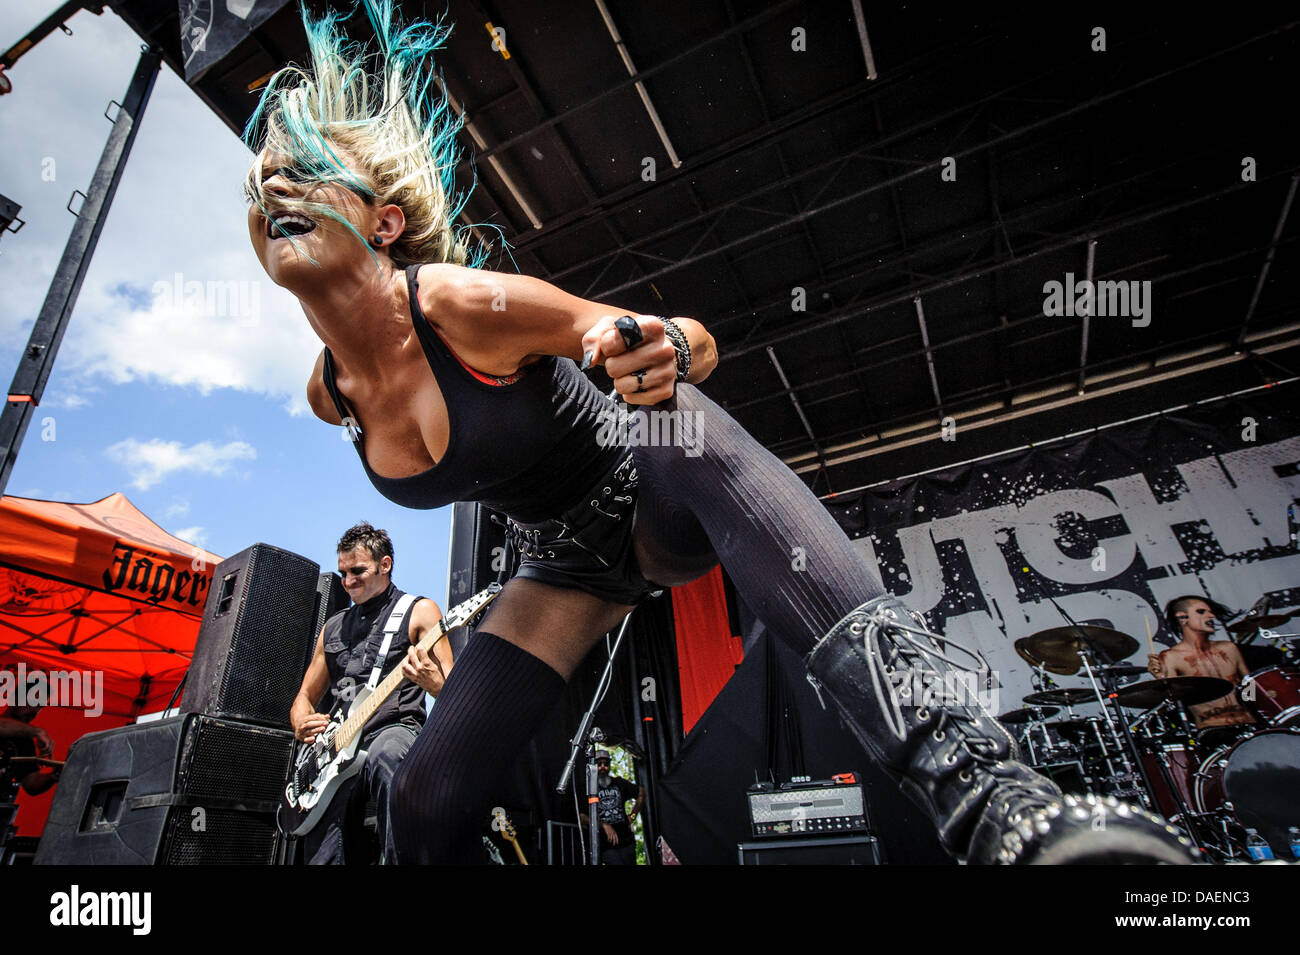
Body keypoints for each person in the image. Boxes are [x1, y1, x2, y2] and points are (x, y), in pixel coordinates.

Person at [244, 0, 1191, 864]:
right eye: (263, 184)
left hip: (650, 491)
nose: (276, 189)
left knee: (669, 413)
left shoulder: (458, 302)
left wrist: (661, 349)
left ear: (384, 221)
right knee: (425, 794)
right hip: (560, 570)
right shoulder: (331, 395)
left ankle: (993, 797)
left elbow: (682, 334)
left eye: (304, 174)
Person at [290, 521, 450, 864]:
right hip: (337, 747)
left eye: (358, 571)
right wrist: (301, 721)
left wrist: (432, 684)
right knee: (323, 833)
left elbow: (455, 690)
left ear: (385, 565)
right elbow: (303, 697)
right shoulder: (332, 626)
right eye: (343, 573)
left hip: (395, 727)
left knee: (388, 753)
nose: (348, 582)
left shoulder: (419, 610)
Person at [1148, 596, 1256, 749]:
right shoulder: (1172, 657)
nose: (1211, 616)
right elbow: (1174, 700)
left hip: (1250, 725)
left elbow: (1249, 684)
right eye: (1201, 612)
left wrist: (1252, 701)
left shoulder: (1229, 648)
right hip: (1213, 731)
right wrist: (1160, 678)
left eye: (1211, 612)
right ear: (1182, 618)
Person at [579, 751, 645, 865]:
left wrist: (632, 816)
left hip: (626, 842)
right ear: (594, 767)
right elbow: (581, 817)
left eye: (606, 764)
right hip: (606, 845)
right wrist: (603, 824)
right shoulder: (588, 789)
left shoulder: (619, 783)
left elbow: (641, 793)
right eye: (599, 764)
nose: (603, 767)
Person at [0, 704, 61, 798]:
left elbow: (31, 785)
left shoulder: (24, 740)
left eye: (40, 706)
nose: (35, 710)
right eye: (33, 702)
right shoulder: (31, 732)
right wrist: (38, 732)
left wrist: (53, 776)